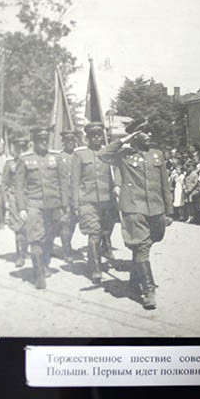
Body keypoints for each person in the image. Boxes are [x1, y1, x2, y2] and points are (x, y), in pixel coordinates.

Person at [98, 130, 173, 309]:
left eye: (150, 131)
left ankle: (134, 279)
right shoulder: (123, 154)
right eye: (144, 132)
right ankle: (148, 291)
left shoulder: (157, 154)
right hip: (133, 208)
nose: (149, 135)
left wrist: (169, 211)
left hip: (156, 209)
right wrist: (125, 139)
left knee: (149, 242)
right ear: (135, 136)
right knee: (141, 246)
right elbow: (103, 154)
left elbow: (165, 183)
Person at [15, 127, 69, 289]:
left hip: (53, 206)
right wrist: (22, 208)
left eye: (46, 140)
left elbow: (63, 182)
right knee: (36, 238)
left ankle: (45, 264)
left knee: (50, 237)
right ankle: (38, 274)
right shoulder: (25, 160)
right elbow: (19, 186)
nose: (43, 143)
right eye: (40, 140)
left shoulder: (56, 158)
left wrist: (64, 204)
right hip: (34, 204)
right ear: (35, 141)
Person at [71, 122, 120, 283]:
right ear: (88, 137)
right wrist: (76, 204)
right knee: (94, 233)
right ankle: (95, 268)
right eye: (93, 135)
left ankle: (97, 257)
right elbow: (75, 181)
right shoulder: (80, 155)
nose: (96, 138)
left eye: (99, 135)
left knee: (105, 232)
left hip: (107, 201)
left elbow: (117, 170)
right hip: (88, 201)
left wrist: (117, 185)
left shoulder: (108, 153)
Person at [1, 135, 30, 267]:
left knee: (28, 226)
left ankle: (26, 250)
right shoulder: (10, 164)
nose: (21, 151)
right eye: (19, 148)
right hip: (14, 199)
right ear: (15, 149)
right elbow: (4, 184)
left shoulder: (30, 162)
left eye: (23, 148)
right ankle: (20, 255)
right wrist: (6, 201)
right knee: (19, 227)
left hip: (30, 198)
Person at [58, 130, 79, 264]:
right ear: (63, 142)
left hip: (77, 196)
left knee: (73, 223)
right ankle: (67, 249)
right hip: (63, 196)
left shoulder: (79, 156)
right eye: (67, 140)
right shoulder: (59, 157)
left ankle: (67, 243)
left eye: (72, 140)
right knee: (65, 222)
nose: (70, 142)